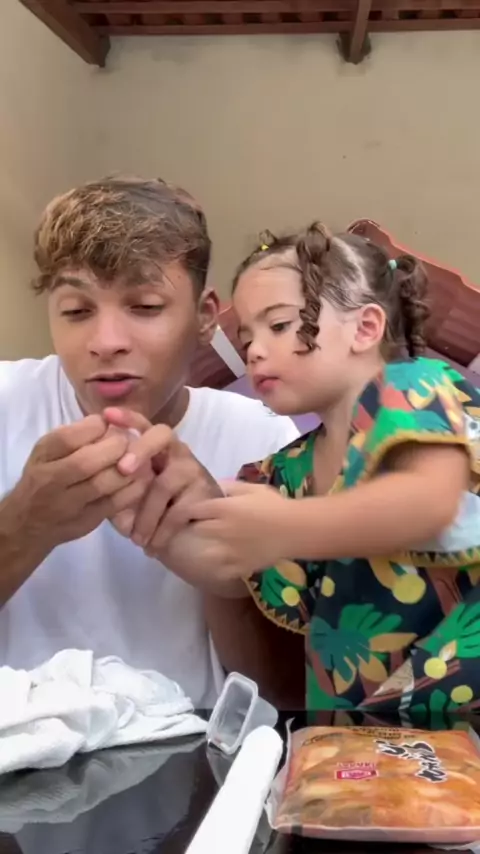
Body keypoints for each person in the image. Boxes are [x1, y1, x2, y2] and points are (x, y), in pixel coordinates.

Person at [0, 175, 301, 709]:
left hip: (194, 747)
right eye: (76, 310)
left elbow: (287, 695)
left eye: (144, 306)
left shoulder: (263, 439)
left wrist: (229, 575)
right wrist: (23, 526)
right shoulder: (7, 404)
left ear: (205, 317)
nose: (106, 343)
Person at [182, 222, 480, 714]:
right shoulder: (283, 473)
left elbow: (428, 501)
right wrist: (178, 517)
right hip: (355, 737)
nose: (254, 350)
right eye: (246, 337)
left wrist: (281, 526)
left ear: (365, 328)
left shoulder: (415, 387)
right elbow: (235, 571)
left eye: (279, 325)